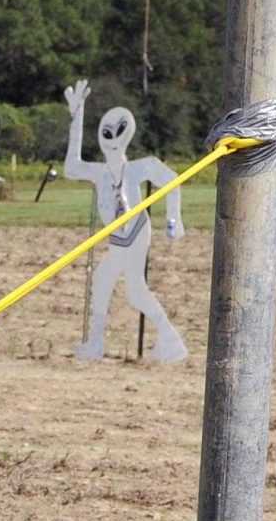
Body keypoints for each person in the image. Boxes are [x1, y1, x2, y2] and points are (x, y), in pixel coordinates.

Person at [61, 77, 188, 363]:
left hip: (136, 232)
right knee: (104, 279)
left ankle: (170, 340)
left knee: (133, 291)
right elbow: (70, 168)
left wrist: (173, 219)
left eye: (117, 131)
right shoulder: (99, 173)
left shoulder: (138, 168)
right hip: (117, 238)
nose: (111, 137)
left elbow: (172, 180)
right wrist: (77, 116)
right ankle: (96, 343)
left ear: (127, 133)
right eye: (106, 132)